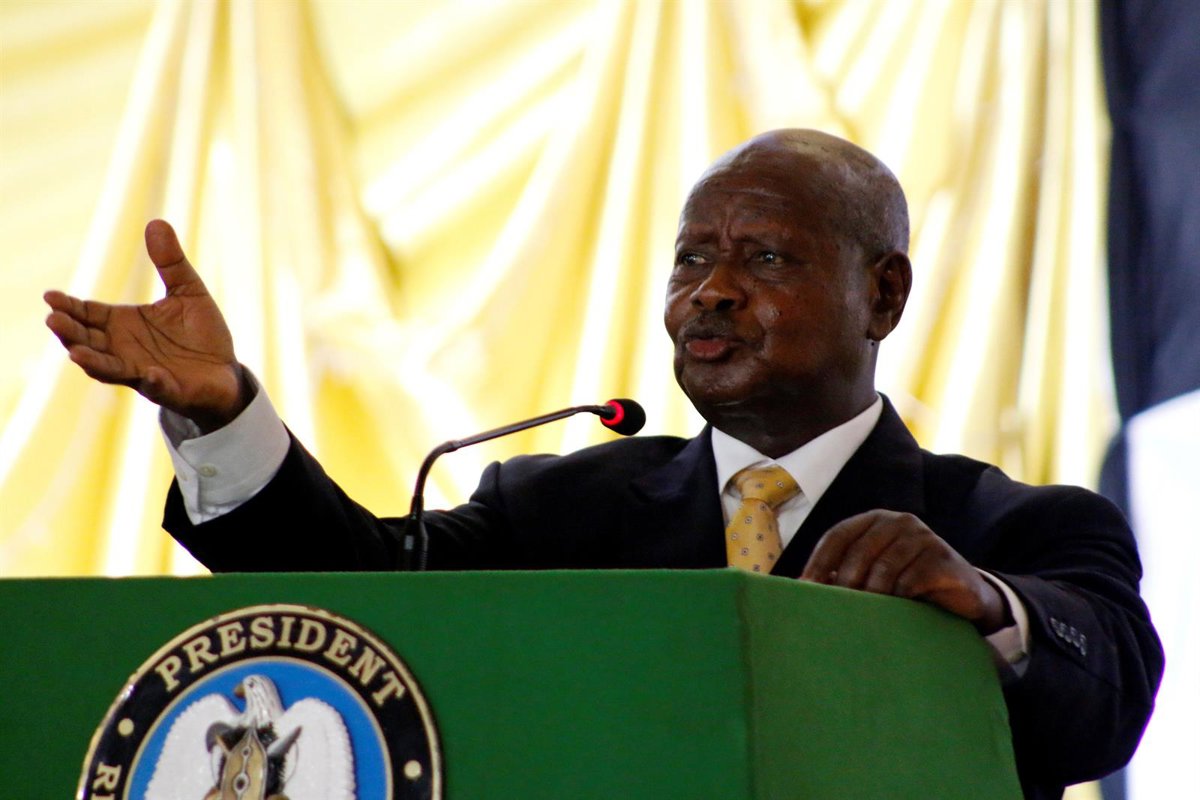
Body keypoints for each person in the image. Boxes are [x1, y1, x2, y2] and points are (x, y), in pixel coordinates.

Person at [45, 129, 1162, 798]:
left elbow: (1105, 698)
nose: (710, 292)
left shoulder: (1014, 528)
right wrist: (225, 415)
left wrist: (987, 603)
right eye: (691, 259)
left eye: (765, 258)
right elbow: (359, 598)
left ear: (884, 293)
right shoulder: (556, 509)